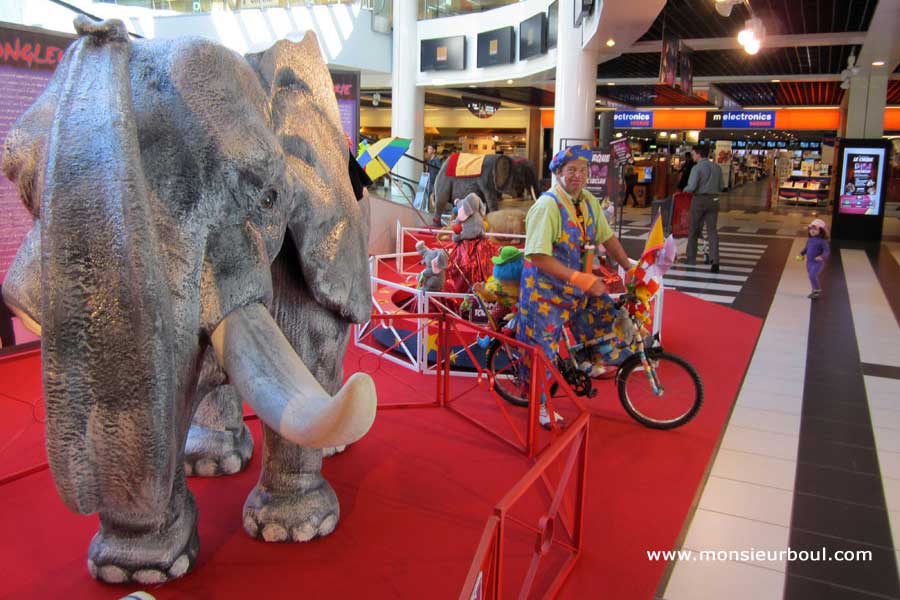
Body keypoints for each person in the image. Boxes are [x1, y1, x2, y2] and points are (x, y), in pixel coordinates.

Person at [517, 145, 633, 428]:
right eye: (571, 170)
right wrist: (580, 278)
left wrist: (631, 266)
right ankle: (541, 406)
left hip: (575, 291)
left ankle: (588, 360)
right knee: (542, 350)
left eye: (583, 170)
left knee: (601, 316)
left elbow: (607, 238)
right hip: (544, 293)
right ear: (558, 173)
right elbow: (537, 255)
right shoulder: (547, 206)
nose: (579, 176)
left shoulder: (589, 201)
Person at [683, 146, 723, 273]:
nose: (693, 156)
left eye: (694, 154)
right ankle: (715, 260)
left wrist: (684, 190)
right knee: (712, 231)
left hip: (699, 200)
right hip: (714, 200)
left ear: (698, 154)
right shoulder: (717, 168)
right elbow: (721, 186)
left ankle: (691, 257)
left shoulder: (697, 168)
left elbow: (692, 186)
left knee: (693, 229)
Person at [797, 218, 830, 299]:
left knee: (812, 275)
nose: (812, 231)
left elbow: (827, 251)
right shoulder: (810, 239)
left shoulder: (823, 241)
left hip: (817, 263)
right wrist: (801, 253)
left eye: (815, 229)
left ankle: (817, 290)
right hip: (809, 262)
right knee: (812, 276)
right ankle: (814, 290)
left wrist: (821, 256)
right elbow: (806, 248)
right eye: (811, 229)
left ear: (821, 231)